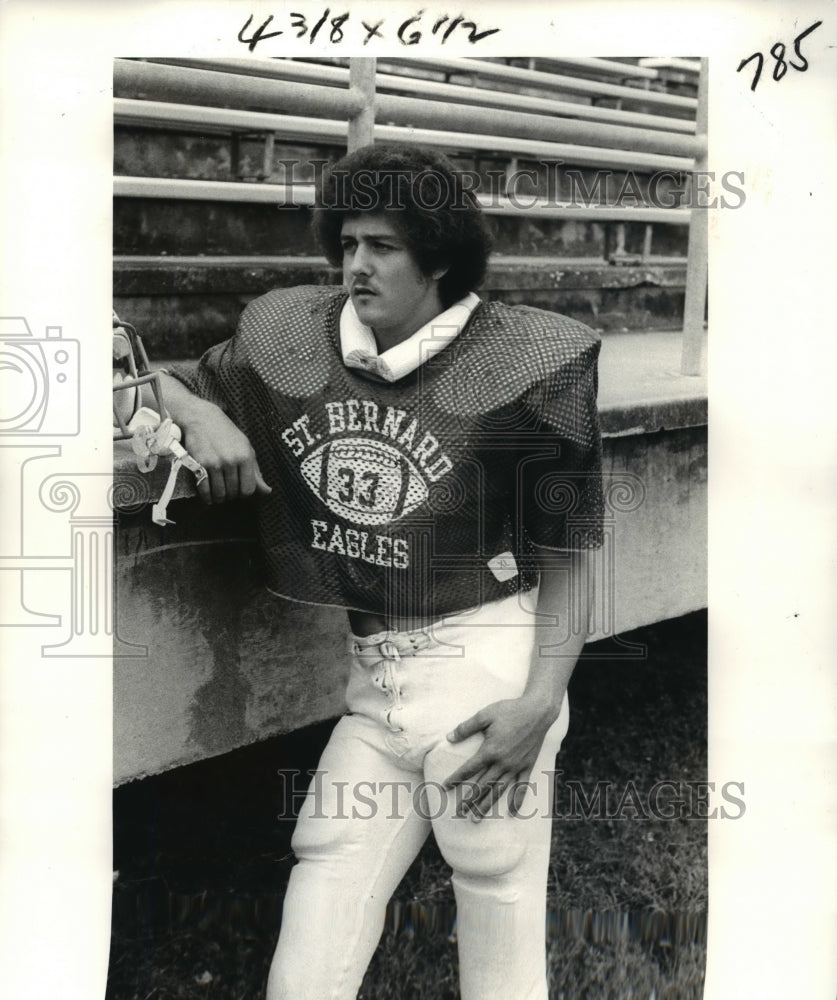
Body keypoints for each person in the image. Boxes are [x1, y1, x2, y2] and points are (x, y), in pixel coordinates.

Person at [155, 144, 604, 1000]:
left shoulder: (524, 359)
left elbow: (570, 549)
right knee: (317, 906)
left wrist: (540, 704)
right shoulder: (292, 337)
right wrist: (198, 412)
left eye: (384, 246)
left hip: (484, 666)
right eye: (348, 241)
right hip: (373, 680)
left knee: (496, 896)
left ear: (438, 257)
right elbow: (156, 379)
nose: (356, 264)